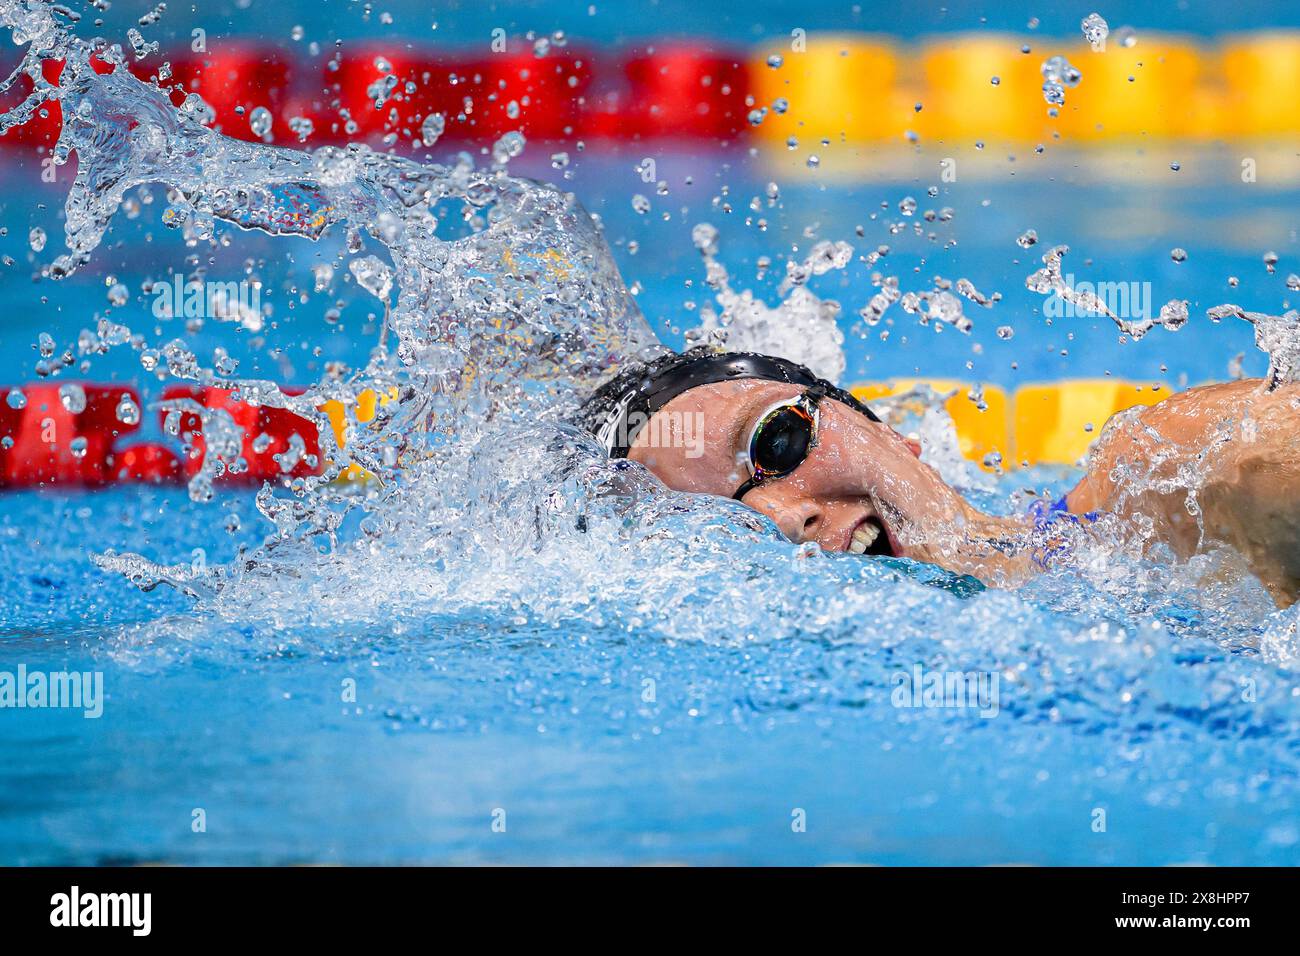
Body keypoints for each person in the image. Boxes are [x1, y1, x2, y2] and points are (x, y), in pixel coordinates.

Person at [575, 346, 1300, 607]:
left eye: (781, 439)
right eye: (721, 525)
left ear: (884, 429)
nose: (781, 518)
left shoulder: (1164, 484)